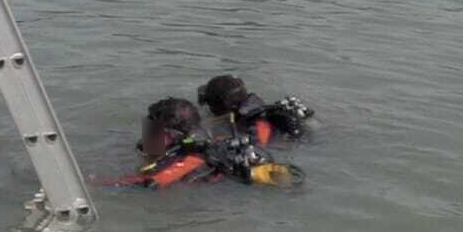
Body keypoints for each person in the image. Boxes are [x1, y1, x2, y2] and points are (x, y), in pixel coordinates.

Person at [118, 97, 303, 189]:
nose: (147, 135)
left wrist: (98, 183)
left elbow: (152, 183)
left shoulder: (192, 158)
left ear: (172, 135)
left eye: (153, 130)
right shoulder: (202, 143)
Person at [197, 74, 315, 145]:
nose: (210, 109)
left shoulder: (256, 123)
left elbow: (262, 146)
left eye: (212, 105)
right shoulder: (258, 108)